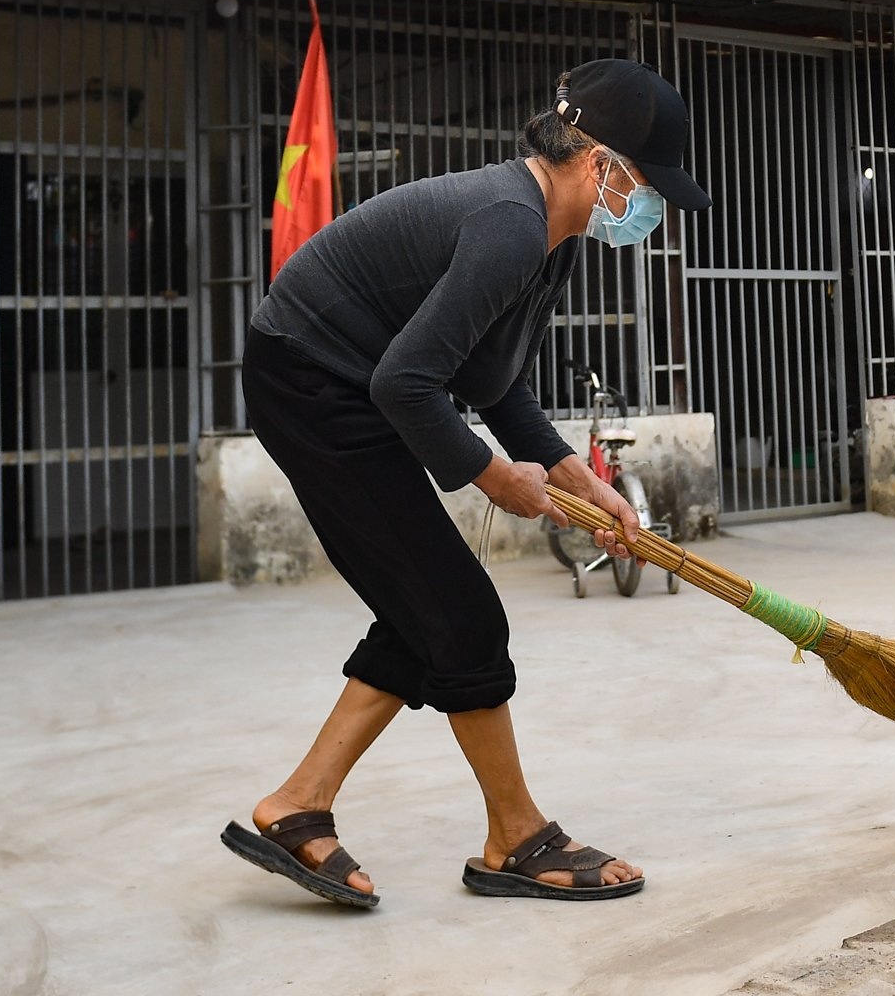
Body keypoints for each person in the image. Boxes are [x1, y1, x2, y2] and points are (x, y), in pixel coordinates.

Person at [220, 59, 710, 906]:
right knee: (461, 614)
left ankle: (298, 806)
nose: (653, 212)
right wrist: (492, 478)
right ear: (600, 167)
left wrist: (574, 478)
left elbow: (488, 378)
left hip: (347, 377)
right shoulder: (509, 226)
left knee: (427, 610)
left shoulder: (548, 239)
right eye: (649, 188)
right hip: (310, 378)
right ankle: (517, 837)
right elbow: (404, 385)